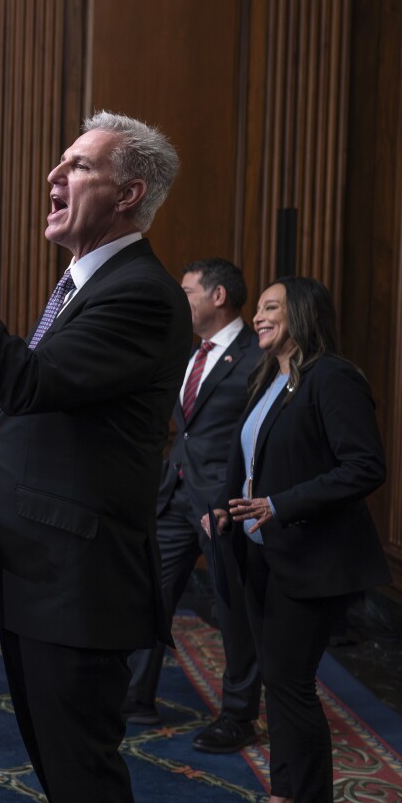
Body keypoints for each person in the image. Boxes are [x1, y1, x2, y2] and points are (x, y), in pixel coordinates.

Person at [0, 112, 188, 803]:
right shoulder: (87, 286)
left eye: (79, 166)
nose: (54, 177)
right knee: (61, 774)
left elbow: (27, 385)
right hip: (43, 575)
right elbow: (61, 417)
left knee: (82, 779)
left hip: (77, 584)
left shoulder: (142, 294)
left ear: (129, 195)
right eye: (60, 163)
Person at [208, 277, 388, 803]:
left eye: (271, 307)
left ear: (303, 314)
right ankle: (284, 794)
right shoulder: (270, 377)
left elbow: (365, 466)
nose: (259, 316)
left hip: (312, 558)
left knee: (290, 686)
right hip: (263, 556)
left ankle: (306, 800)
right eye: (258, 307)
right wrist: (223, 506)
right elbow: (247, 459)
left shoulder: (331, 377)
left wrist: (279, 505)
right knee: (280, 688)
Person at [124, 258, 264, 754]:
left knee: (232, 612)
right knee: (149, 596)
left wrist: (237, 500)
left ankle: (238, 716)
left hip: (223, 504)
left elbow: (260, 435)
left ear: (218, 296)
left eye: (187, 292)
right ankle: (135, 697)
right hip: (173, 495)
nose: (180, 300)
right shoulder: (190, 352)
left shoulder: (256, 356)